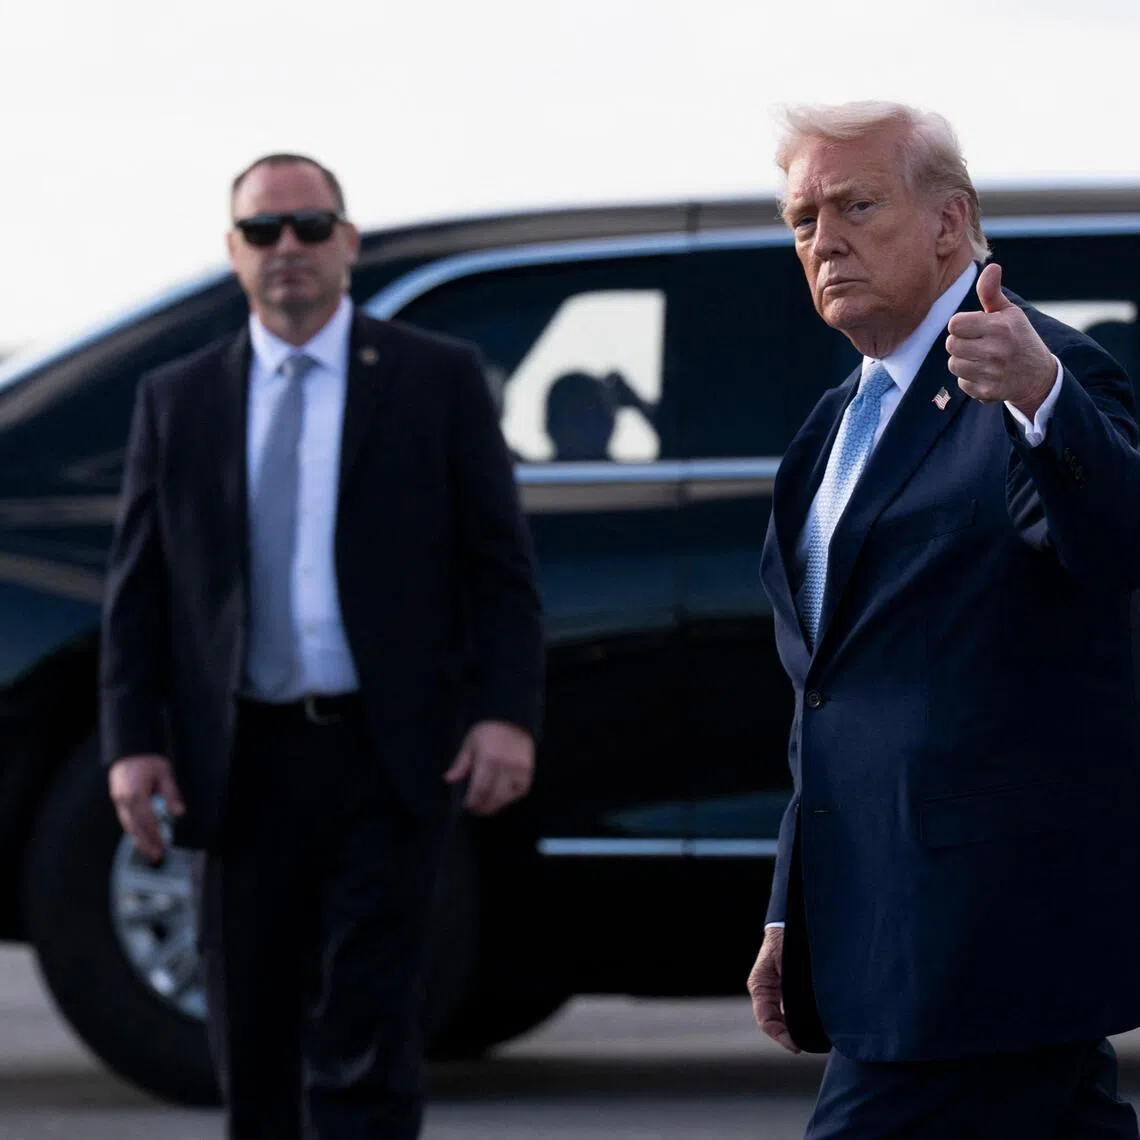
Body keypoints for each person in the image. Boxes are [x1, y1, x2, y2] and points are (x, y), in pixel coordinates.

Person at [100, 153, 543, 1139]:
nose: (288, 249)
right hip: (241, 760)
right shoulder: (178, 400)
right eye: (264, 232)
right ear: (234, 253)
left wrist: (505, 714)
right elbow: (139, 597)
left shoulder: (435, 378)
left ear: (348, 242)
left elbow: (498, 570)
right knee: (251, 1033)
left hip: (388, 753)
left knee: (368, 1022)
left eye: (310, 227)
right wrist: (132, 742)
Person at [745, 102, 1140, 1138]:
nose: (824, 239)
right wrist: (795, 903)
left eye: (857, 205)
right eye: (801, 220)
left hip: (980, 926)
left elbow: (1119, 547)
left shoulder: (1038, 369)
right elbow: (826, 698)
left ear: (950, 223)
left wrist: (1043, 397)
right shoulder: (832, 427)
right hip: (882, 922)